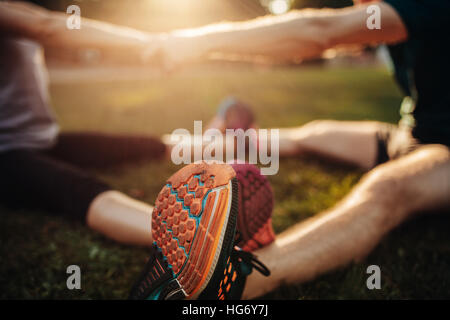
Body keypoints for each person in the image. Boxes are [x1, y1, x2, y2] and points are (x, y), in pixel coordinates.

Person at [132, 0, 449, 299]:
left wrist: (196, 42)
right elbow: (345, 34)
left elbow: (319, 32)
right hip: (414, 134)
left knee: (389, 188)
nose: (358, 5)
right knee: (310, 135)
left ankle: (232, 282)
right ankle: (170, 145)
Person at [0, 1, 275, 255]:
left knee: (146, 145)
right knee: (79, 190)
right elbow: (47, 27)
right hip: (7, 154)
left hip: (44, 140)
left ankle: (268, 143)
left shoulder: (21, 7)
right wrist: (154, 44)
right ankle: (204, 241)